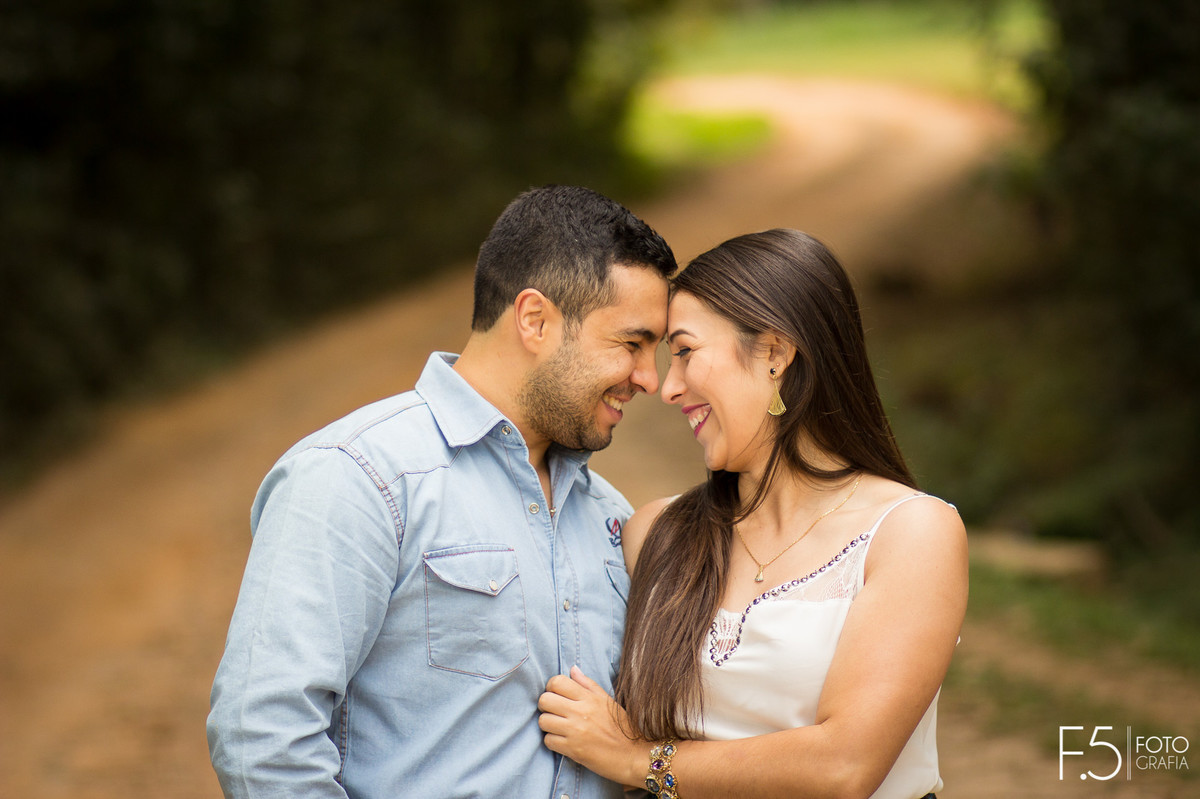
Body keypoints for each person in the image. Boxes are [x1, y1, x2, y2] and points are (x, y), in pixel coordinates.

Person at [207, 184, 677, 799]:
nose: (649, 378)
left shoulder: (612, 517)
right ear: (534, 320)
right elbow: (261, 738)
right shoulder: (358, 477)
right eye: (631, 343)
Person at [537, 229, 968, 799]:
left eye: (685, 352)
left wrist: (637, 760)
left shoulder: (909, 531)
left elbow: (844, 767)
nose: (667, 387)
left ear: (775, 353)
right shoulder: (657, 533)